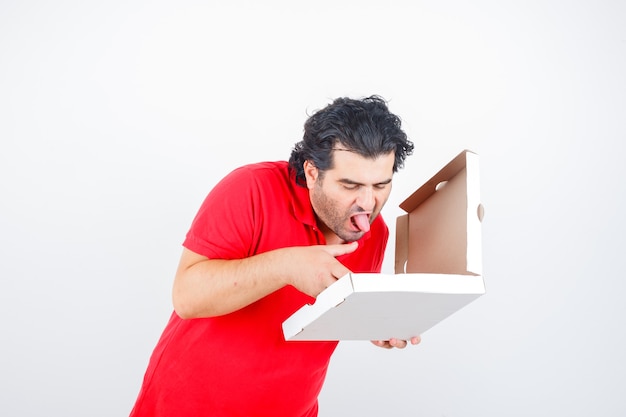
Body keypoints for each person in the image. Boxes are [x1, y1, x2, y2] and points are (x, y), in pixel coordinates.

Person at [129, 95, 420, 417]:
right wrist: (286, 265)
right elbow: (187, 298)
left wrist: (378, 323)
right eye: (350, 185)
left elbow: (333, 313)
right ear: (312, 172)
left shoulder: (375, 233)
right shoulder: (252, 188)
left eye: (381, 184)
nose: (368, 202)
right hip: (187, 407)